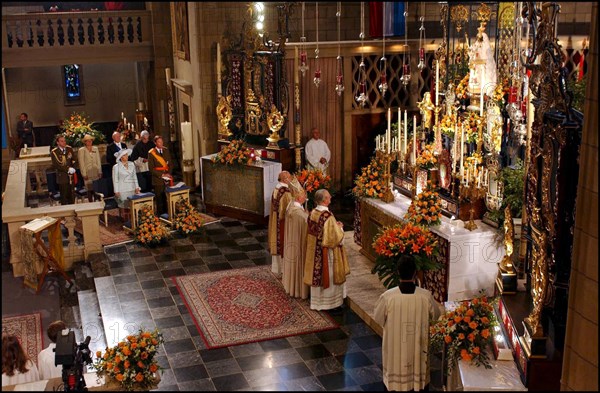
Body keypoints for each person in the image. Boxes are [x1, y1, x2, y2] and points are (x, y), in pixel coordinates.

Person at [374, 255, 444, 392]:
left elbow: (378, 318)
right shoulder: (425, 296)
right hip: (417, 348)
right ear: (415, 273)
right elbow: (436, 315)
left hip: (395, 349)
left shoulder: (388, 297)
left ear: (398, 272)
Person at [304, 189, 350, 310]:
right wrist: (340, 228)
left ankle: (317, 302)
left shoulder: (313, 212)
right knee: (329, 274)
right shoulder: (327, 216)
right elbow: (335, 239)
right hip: (327, 253)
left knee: (317, 274)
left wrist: (335, 226)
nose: (330, 199)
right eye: (329, 197)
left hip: (314, 250)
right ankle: (330, 304)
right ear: (324, 200)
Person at [282, 187, 310, 299]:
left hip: (292, 242)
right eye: (304, 195)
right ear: (298, 197)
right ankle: (299, 289)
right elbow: (307, 225)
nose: (306, 197)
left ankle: (291, 286)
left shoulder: (291, 205)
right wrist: (308, 216)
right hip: (299, 243)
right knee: (298, 263)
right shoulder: (298, 213)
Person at [268, 171, 293, 276]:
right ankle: (284, 269)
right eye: (290, 177)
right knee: (283, 243)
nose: (291, 179)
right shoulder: (286, 192)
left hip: (275, 220)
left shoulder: (276, 189)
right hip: (282, 223)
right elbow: (290, 210)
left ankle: (277, 268)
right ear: (285, 179)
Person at [147, 135, 172, 216]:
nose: (161, 143)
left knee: (167, 198)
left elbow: (170, 164)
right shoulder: (151, 153)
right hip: (157, 179)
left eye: (162, 142)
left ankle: (168, 215)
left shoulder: (166, 150)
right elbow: (151, 169)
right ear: (155, 143)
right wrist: (162, 175)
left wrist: (168, 174)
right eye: (159, 142)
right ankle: (161, 216)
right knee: (160, 199)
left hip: (167, 178)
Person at [113, 148, 140, 220]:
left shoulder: (132, 164)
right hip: (122, 189)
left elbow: (134, 176)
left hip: (132, 188)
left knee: (133, 206)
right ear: (121, 157)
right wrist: (116, 191)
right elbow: (115, 180)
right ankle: (126, 222)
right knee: (124, 207)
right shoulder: (116, 167)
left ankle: (134, 221)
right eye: (125, 155)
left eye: (127, 155)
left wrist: (137, 187)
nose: (127, 156)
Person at [51, 135, 77, 205]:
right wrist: (68, 169)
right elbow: (57, 165)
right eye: (62, 141)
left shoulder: (69, 149)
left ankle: (73, 210)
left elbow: (74, 160)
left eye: (64, 141)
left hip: (71, 176)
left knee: (72, 195)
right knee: (64, 197)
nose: (64, 142)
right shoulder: (54, 152)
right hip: (62, 177)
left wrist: (74, 168)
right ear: (58, 143)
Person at [77, 134, 102, 202]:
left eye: (90, 140)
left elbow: (98, 161)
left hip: (95, 172)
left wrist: (100, 171)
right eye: (87, 141)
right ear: (85, 142)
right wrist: (84, 174)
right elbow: (81, 163)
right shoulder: (81, 150)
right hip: (87, 173)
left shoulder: (95, 148)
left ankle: (97, 203)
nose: (89, 142)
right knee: (89, 190)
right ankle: (91, 203)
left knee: (96, 189)